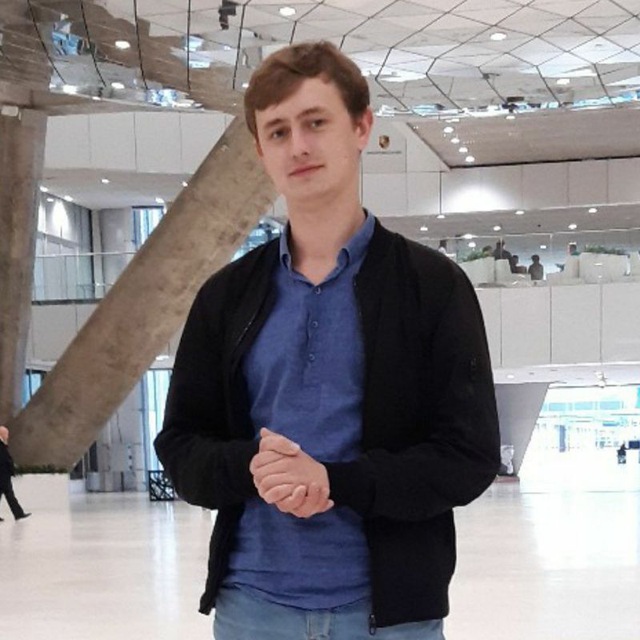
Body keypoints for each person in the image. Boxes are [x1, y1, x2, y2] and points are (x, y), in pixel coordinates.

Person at [155, 41, 500, 640]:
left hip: (392, 617)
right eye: (278, 131)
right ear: (261, 151)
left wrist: (335, 482)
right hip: (252, 609)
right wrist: (252, 466)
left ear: (361, 127)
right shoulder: (226, 296)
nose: (299, 146)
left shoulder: (432, 286)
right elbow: (181, 445)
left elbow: (468, 457)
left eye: (315, 122)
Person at [0, 426, 31, 522]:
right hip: (3, 475)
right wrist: (11, 469)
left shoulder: (2, 444)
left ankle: (19, 514)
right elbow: (4, 460)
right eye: (6, 434)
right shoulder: (1, 445)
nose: (7, 436)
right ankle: (18, 514)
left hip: (3, 475)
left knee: (8, 494)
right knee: (10, 495)